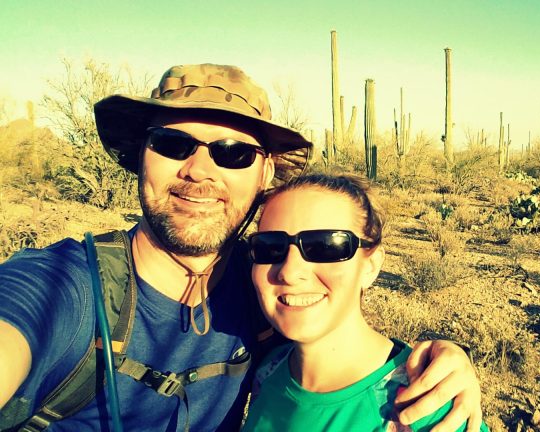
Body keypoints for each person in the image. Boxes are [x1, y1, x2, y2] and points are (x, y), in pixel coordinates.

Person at [0, 64, 482, 431]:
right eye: (172, 144)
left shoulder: (262, 301)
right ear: (140, 156)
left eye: (234, 152)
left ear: (265, 173)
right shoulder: (60, 288)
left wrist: (444, 360)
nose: (199, 170)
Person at [242, 174, 489, 432]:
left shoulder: (427, 405)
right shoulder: (268, 371)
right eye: (269, 247)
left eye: (326, 246)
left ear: (370, 266)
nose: (289, 272)